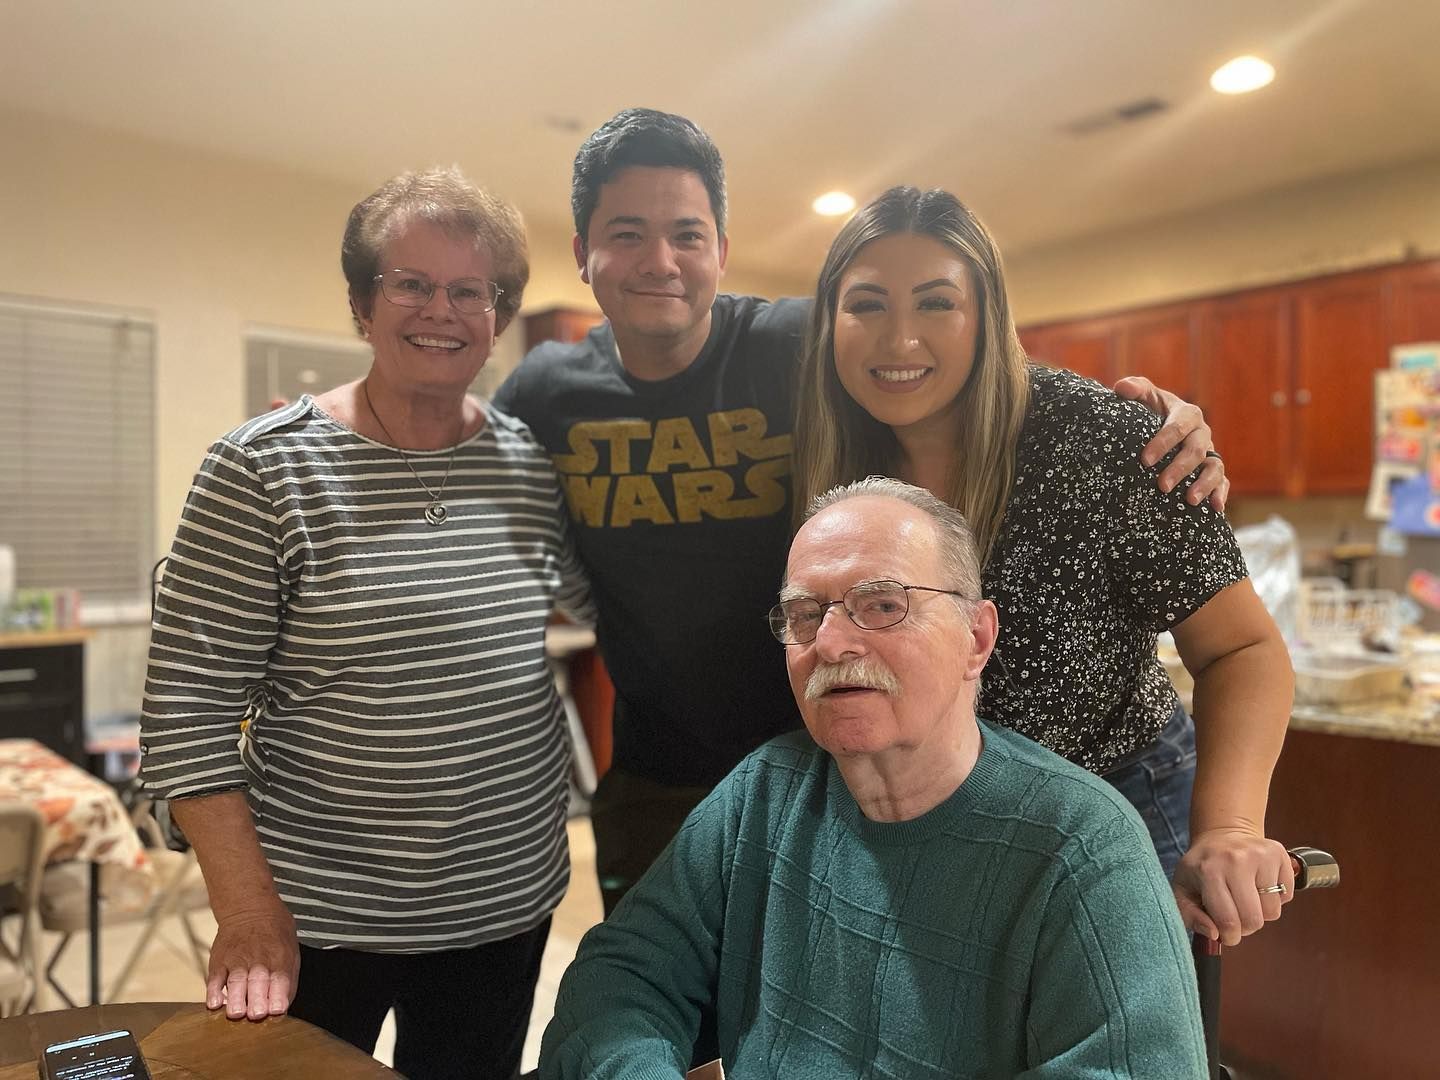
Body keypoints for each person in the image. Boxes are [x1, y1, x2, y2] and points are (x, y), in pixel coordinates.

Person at [493, 107, 1228, 916]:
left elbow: (950, 360)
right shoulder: (542, 393)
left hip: (827, 766)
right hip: (661, 770)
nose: (659, 261)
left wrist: (1148, 418)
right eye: (627, 234)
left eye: (688, 235)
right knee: (656, 990)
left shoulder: (799, 345)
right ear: (582, 255)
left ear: (722, 252)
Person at [140, 167, 593, 1080]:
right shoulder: (261, 472)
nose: (443, 310)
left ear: (499, 314)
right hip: (314, 918)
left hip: (501, 906)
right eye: (412, 283)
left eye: (472, 290)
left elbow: (595, 599)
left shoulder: (528, 465)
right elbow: (185, 715)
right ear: (361, 302)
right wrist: (249, 911)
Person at [539, 479, 1209, 1079]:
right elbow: (622, 975)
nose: (830, 643)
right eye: (805, 613)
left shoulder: (1082, 848)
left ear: (977, 637)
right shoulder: (766, 791)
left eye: (883, 604)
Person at [792, 185, 1297, 946]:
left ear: (987, 316)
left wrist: (1230, 826)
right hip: (934, 825)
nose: (898, 339)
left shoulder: (1104, 442)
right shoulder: (831, 467)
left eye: (936, 304)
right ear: (829, 322)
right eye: (866, 305)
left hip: (1121, 806)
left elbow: (1242, 648)